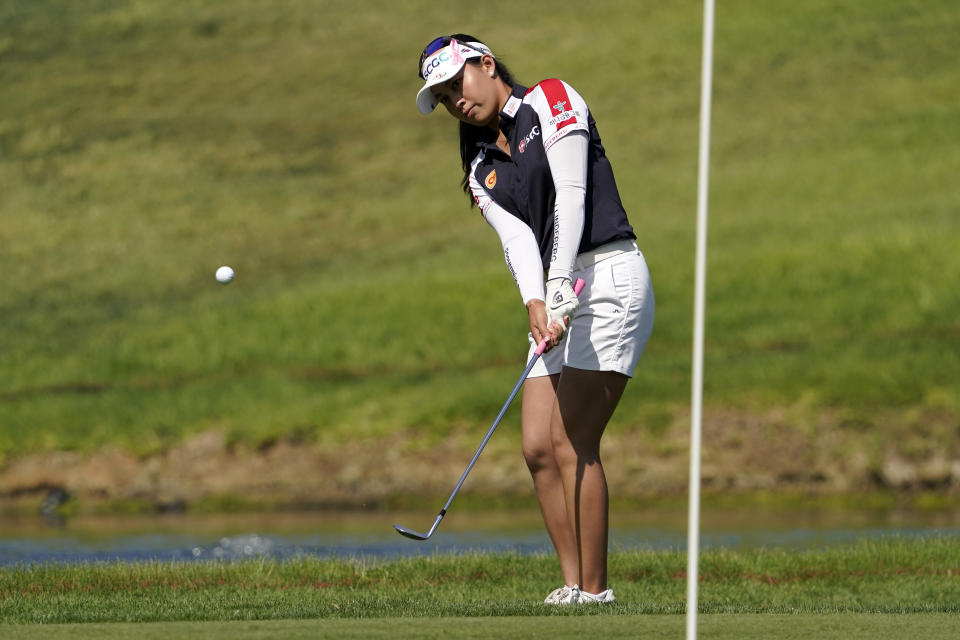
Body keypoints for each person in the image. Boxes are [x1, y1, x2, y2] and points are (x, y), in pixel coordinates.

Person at [415, 34, 655, 604]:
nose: (455, 101)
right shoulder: (478, 164)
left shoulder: (552, 99)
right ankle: (571, 586)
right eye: (443, 97)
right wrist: (537, 302)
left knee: (572, 439)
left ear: (487, 65)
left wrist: (558, 288)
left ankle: (596, 593)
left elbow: (570, 198)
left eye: (458, 83)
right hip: (557, 288)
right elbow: (519, 240)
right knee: (537, 447)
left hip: (609, 276)